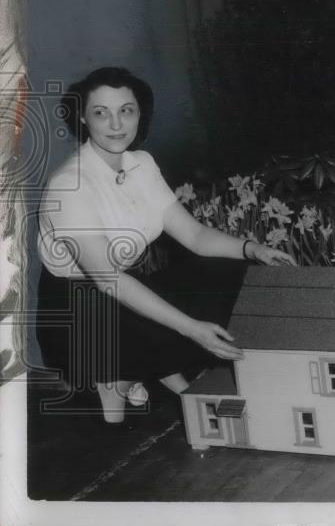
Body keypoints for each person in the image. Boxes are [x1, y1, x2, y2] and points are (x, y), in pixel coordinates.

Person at [35, 66, 296, 424]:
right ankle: (116, 378)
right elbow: (107, 279)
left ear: (140, 114)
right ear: (82, 117)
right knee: (185, 323)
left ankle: (150, 366)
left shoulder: (141, 164)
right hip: (79, 312)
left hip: (127, 287)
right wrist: (192, 328)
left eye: (126, 110)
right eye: (101, 113)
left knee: (231, 272)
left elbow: (195, 236)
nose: (116, 124)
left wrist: (253, 249)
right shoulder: (70, 184)